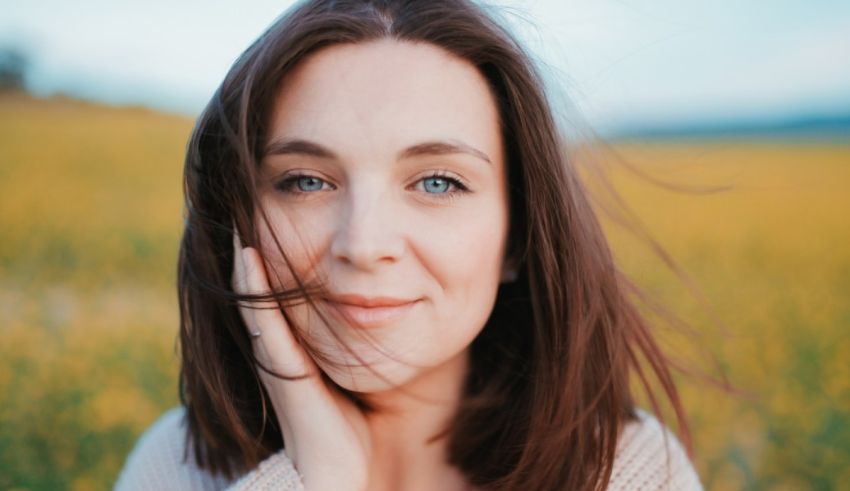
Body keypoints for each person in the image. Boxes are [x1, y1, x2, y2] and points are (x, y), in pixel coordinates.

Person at [115, 0, 704, 489]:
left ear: (517, 237)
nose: (364, 246)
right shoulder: (178, 466)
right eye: (305, 181)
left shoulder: (626, 473)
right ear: (236, 218)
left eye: (437, 182)